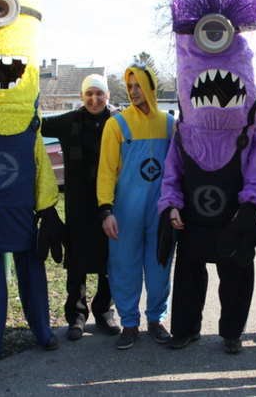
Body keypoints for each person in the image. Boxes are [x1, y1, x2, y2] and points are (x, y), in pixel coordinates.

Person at [158, 0, 256, 355]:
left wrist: (249, 210)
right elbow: (171, 174)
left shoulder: (249, 134)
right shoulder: (182, 132)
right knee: (189, 275)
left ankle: (232, 332)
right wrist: (171, 205)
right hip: (192, 221)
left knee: (236, 276)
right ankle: (186, 328)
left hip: (232, 222)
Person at [97, 63, 174, 350]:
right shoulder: (116, 124)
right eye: (129, 87)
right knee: (124, 266)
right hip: (126, 211)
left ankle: (155, 319)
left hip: (161, 210)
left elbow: (177, 169)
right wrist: (106, 209)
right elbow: (106, 170)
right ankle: (129, 323)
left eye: (138, 85)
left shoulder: (169, 124)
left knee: (160, 266)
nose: (133, 91)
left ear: (150, 87)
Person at [40, 74, 121, 340]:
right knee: (76, 261)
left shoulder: (118, 121)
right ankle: (76, 316)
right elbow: (35, 125)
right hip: (78, 202)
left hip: (110, 199)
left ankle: (104, 312)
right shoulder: (68, 122)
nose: (94, 99)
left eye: (99, 94)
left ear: (107, 95)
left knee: (109, 258)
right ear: (81, 96)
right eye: (89, 94)